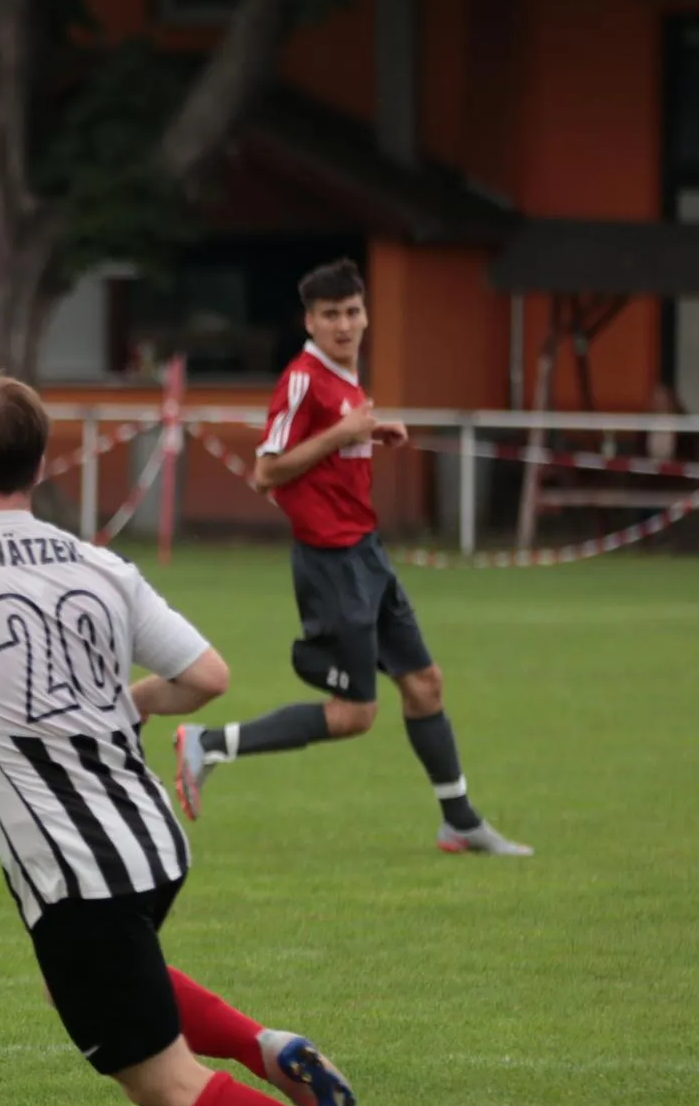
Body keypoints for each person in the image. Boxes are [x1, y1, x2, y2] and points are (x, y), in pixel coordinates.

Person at [0, 374, 424, 1106]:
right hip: (152, 839)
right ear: (38, 465)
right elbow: (206, 676)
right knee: (87, 981)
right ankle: (265, 1046)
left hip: (76, 872)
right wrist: (130, 700)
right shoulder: (99, 562)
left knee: (163, 1081)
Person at [173, 259, 531, 857]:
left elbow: (328, 450)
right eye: (331, 314)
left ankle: (460, 822)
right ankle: (208, 744)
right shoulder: (302, 379)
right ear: (310, 322)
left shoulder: (347, 378)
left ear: (366, 315)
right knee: (355, 715)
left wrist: (368, 432)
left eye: (353, 312)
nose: (344, 324)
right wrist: (341, 436)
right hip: (331, 564)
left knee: (425, 685)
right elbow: (266, 471)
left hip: (366, 553)